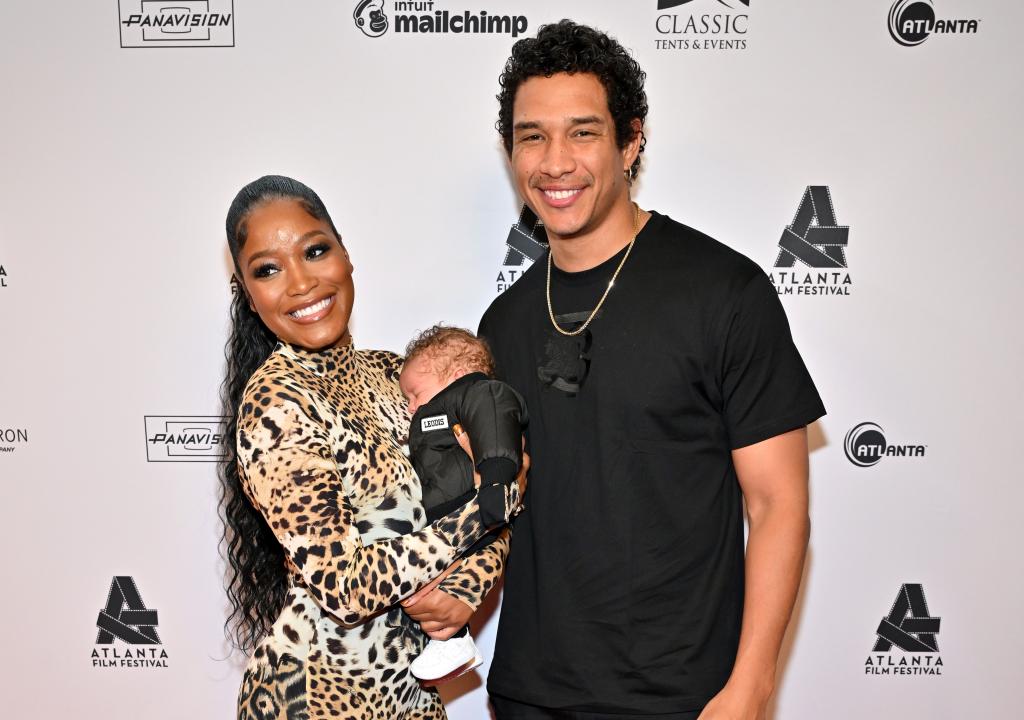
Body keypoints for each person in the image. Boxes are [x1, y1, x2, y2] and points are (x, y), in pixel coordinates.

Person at [479, 21, 827, 719]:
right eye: (532, 136)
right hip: (528, 696)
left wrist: (751, 691)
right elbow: (496, 504)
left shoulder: (724, 292)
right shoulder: (503, 322)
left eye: (582, 133)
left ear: (630, 140)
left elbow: (778, 505)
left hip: (683, 701)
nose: (555, 163)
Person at [218, 175, 521, 720]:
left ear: (345, 254)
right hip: (316, 700)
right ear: (247, 290)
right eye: (268, 269)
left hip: (412, 694)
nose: (301, 283)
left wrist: (469, 588)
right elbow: (348, 586)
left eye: (314, 251)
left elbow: (502, 483)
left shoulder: (395, 375)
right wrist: (482, 514)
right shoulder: (275, 404)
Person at [397, 325, 527, 684]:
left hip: (470, 508)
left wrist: (496, 480)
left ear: (457, 376)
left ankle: (452, 644)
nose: (410, 407)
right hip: (447, 515)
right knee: (429, 587)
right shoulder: (439, 413)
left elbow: (496, 426)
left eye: (414, 393)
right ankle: (453, 642)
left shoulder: (478, 394)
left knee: (433, 585)